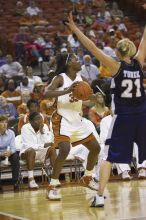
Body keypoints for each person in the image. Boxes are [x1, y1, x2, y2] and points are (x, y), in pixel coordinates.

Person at [67, 13, 146, 207]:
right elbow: (145, 39)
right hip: (142, 114)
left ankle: (100, 196)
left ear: (117, 53)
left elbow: (92, 47)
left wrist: (76, 29)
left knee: (108, 157)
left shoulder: (114, 66)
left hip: (124, 117)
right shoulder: (139, 62)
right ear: (133, 49)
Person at [45, 53, 100, 200]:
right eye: (75, 59)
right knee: (64, 149)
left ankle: (87, 177)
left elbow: (83, 101)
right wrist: (67, 90)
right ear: (69, 63)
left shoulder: (80, 78)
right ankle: (53, 186)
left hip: (77, 119)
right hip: (62, 118)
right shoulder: (61, 78)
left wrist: (92, 101)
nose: (79, 61)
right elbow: (47, 92)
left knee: (96, 148)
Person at [20, 112, 56, 189]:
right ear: (31, 122)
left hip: (40, 152)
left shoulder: (44, 126)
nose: (40, 121)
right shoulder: (25, 128)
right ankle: (31, 180)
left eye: (41, 118)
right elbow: (28, 145)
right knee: (31, 150)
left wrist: (42, 132)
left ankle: (54, 178)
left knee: (52, 149)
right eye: (37, 119)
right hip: (26, 153)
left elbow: (48, 143)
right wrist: (43, 145)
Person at [0, 115, 20, 192]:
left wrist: (10, 152)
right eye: (2, 122)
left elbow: (13, 148)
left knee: (15, 157)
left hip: (9, 153)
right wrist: (2, 154)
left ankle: (15, 182)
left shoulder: (11, 133)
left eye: (6, 122)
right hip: (0, 154)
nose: (5, 124)